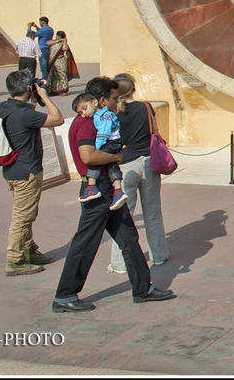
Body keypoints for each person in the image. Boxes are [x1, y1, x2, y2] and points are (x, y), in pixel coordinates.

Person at [53, 79, 176, 312]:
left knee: (128, 238)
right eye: (112, 98)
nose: (115, 102)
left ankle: (143, 288)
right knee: (85, 242)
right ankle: (65, 294)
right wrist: (117, 158)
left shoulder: (98, 121)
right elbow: (88, 156)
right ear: (101, 101)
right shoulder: (88, 124)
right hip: (96, 191)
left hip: (109, 189)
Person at [0, 69, 64, 276]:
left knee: (27, 212)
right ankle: (15, 260)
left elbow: (29, 116)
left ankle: (28, 249)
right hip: (27, 171)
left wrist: (32, 94)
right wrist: (44, 95)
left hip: (13, 169)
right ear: (28, 89)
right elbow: (57, 119)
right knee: (22, 216)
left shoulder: (5, 107)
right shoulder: (24, 114)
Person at [107, 74, 170, 274]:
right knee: (153, 212)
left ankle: (119, 263)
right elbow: (156, 132)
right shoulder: (146, 107)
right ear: (133, 88)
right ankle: (158, 255)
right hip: (149, 162)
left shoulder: (113, 112)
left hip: (125, 165)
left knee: (124, 216)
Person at [75, 93, 128, 210]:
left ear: (94, 102)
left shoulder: (104, 116)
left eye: (84, 109)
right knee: (111, 164)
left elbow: (103, 134)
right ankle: (118, 190)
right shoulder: (100, 116)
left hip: (111, 143)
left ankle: (91, 186)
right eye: (80, 113)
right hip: (112, 143)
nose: (84, 114)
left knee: (96, 160)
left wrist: (96, 149)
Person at [46, 30, 78, 95]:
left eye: (58, 36)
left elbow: (65, 49)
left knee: (62, 75)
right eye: (57, 36)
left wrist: (64, 41)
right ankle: (53, 90)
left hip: (60, 61)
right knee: (53, 76)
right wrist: (58, 41)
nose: (57, 37)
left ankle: (63, 90)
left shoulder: (63, 43)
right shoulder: (54, 41)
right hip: (53, 62)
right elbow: (47, 43)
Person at [29, 17, 54, 81]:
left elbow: (32, 35)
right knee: (47, 64)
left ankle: (45, 79)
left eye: (40, 22)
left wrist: (29, 27)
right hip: (48, 48)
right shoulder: (50, 29)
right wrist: (36, 27)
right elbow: (42, 32)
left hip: (42, 48)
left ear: (43, 22)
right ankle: (48, 78)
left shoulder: (43, 30)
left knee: (43, 65)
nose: (39, 23)